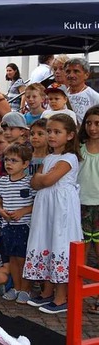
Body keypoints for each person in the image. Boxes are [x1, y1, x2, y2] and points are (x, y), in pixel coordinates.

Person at [24, 114, 83, 314]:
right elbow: (34, 182)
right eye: (49, 131)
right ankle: (47, 291)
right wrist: (41, 178)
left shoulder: (69, 158)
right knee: (47, 243)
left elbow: (47, 181)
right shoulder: (49, 158)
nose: (51, 135)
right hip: (46, 208)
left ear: (70, 135)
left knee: (60, 245)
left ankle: (60, 298)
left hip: (61, 210)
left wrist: (41, 178)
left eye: (57, 132)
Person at [0, 144, 35, 304]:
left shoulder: (30, 182)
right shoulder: (3, 181)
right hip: (8, 226)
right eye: (7, 160)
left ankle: (26, 289)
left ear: (25, 164)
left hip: (24, 226)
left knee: (23, 259)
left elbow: (36, 204)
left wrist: (23, 211)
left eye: (14, 160)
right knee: (12, 258)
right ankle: (17, 287)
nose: (9, 164)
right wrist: (1, 211)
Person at [78, 107, 99, 279]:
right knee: (80, 251)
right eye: (89, 123)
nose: (92, 128)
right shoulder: (79, 148)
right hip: (80, 204)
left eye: (97, 124)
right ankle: (78, 294)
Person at [65, 58, 99, 125]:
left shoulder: (94, 97)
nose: (71, 75)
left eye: (76, 71)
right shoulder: (60, 95)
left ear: (86, 75)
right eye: (68, 72)